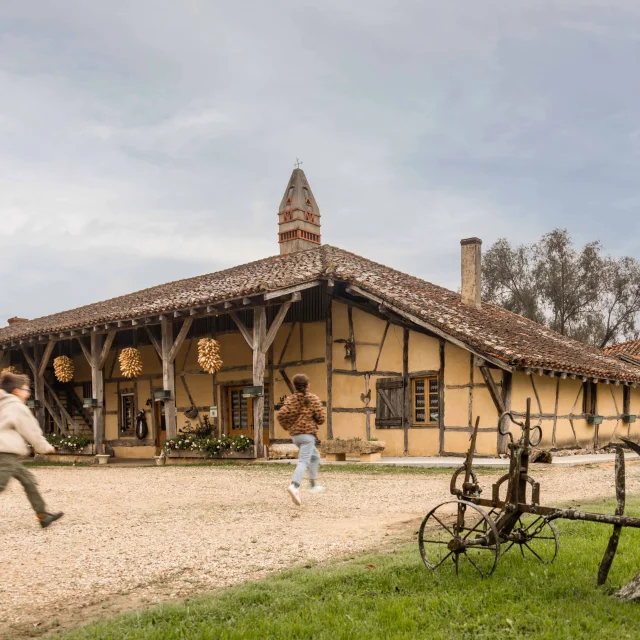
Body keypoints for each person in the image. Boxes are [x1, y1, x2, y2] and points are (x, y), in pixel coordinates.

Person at [0, 372, 63, 528]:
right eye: (26, 390)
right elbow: (31, 431)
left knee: (28, 481)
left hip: (10, 456)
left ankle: (42, 515)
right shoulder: (17, 406)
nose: (28, 394)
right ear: (16, 391)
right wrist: (45, 447)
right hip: (5, 453)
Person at [276, 373, 326, 505]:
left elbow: (281, 414)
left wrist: (288, 426)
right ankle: (294, 486)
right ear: (308, 385)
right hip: (308, 436)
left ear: (295, 386)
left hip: (295, 436)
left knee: (315, 456)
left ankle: (313, 484)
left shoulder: (290, 400)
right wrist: (313, 419)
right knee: (304, 461)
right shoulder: (313, 399)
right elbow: (321, 418)